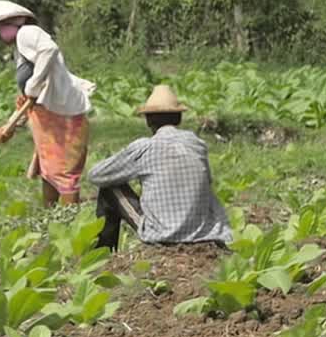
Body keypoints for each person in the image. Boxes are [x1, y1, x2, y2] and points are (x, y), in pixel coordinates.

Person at [0, 0, 96, 206]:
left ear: (14, 22)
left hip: (63, 116)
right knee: (48, 169)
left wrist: (34, 82)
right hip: (45, 116)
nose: (0, 33)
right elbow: (27, 98)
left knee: (63, 171)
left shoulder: (27, 32)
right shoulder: (19, 49)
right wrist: (11, 125)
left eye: (1, 28)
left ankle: (69, 220)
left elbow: (49, 50)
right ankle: (49, 215)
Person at [87, 85, 232, 251]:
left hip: (163, 235)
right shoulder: (197, 144)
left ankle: (103, 253)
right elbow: (208, 181)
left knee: (109, 189)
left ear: (149, 120)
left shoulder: (146, 147)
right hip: (204, 233)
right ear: (178, 118)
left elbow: (96, 176)